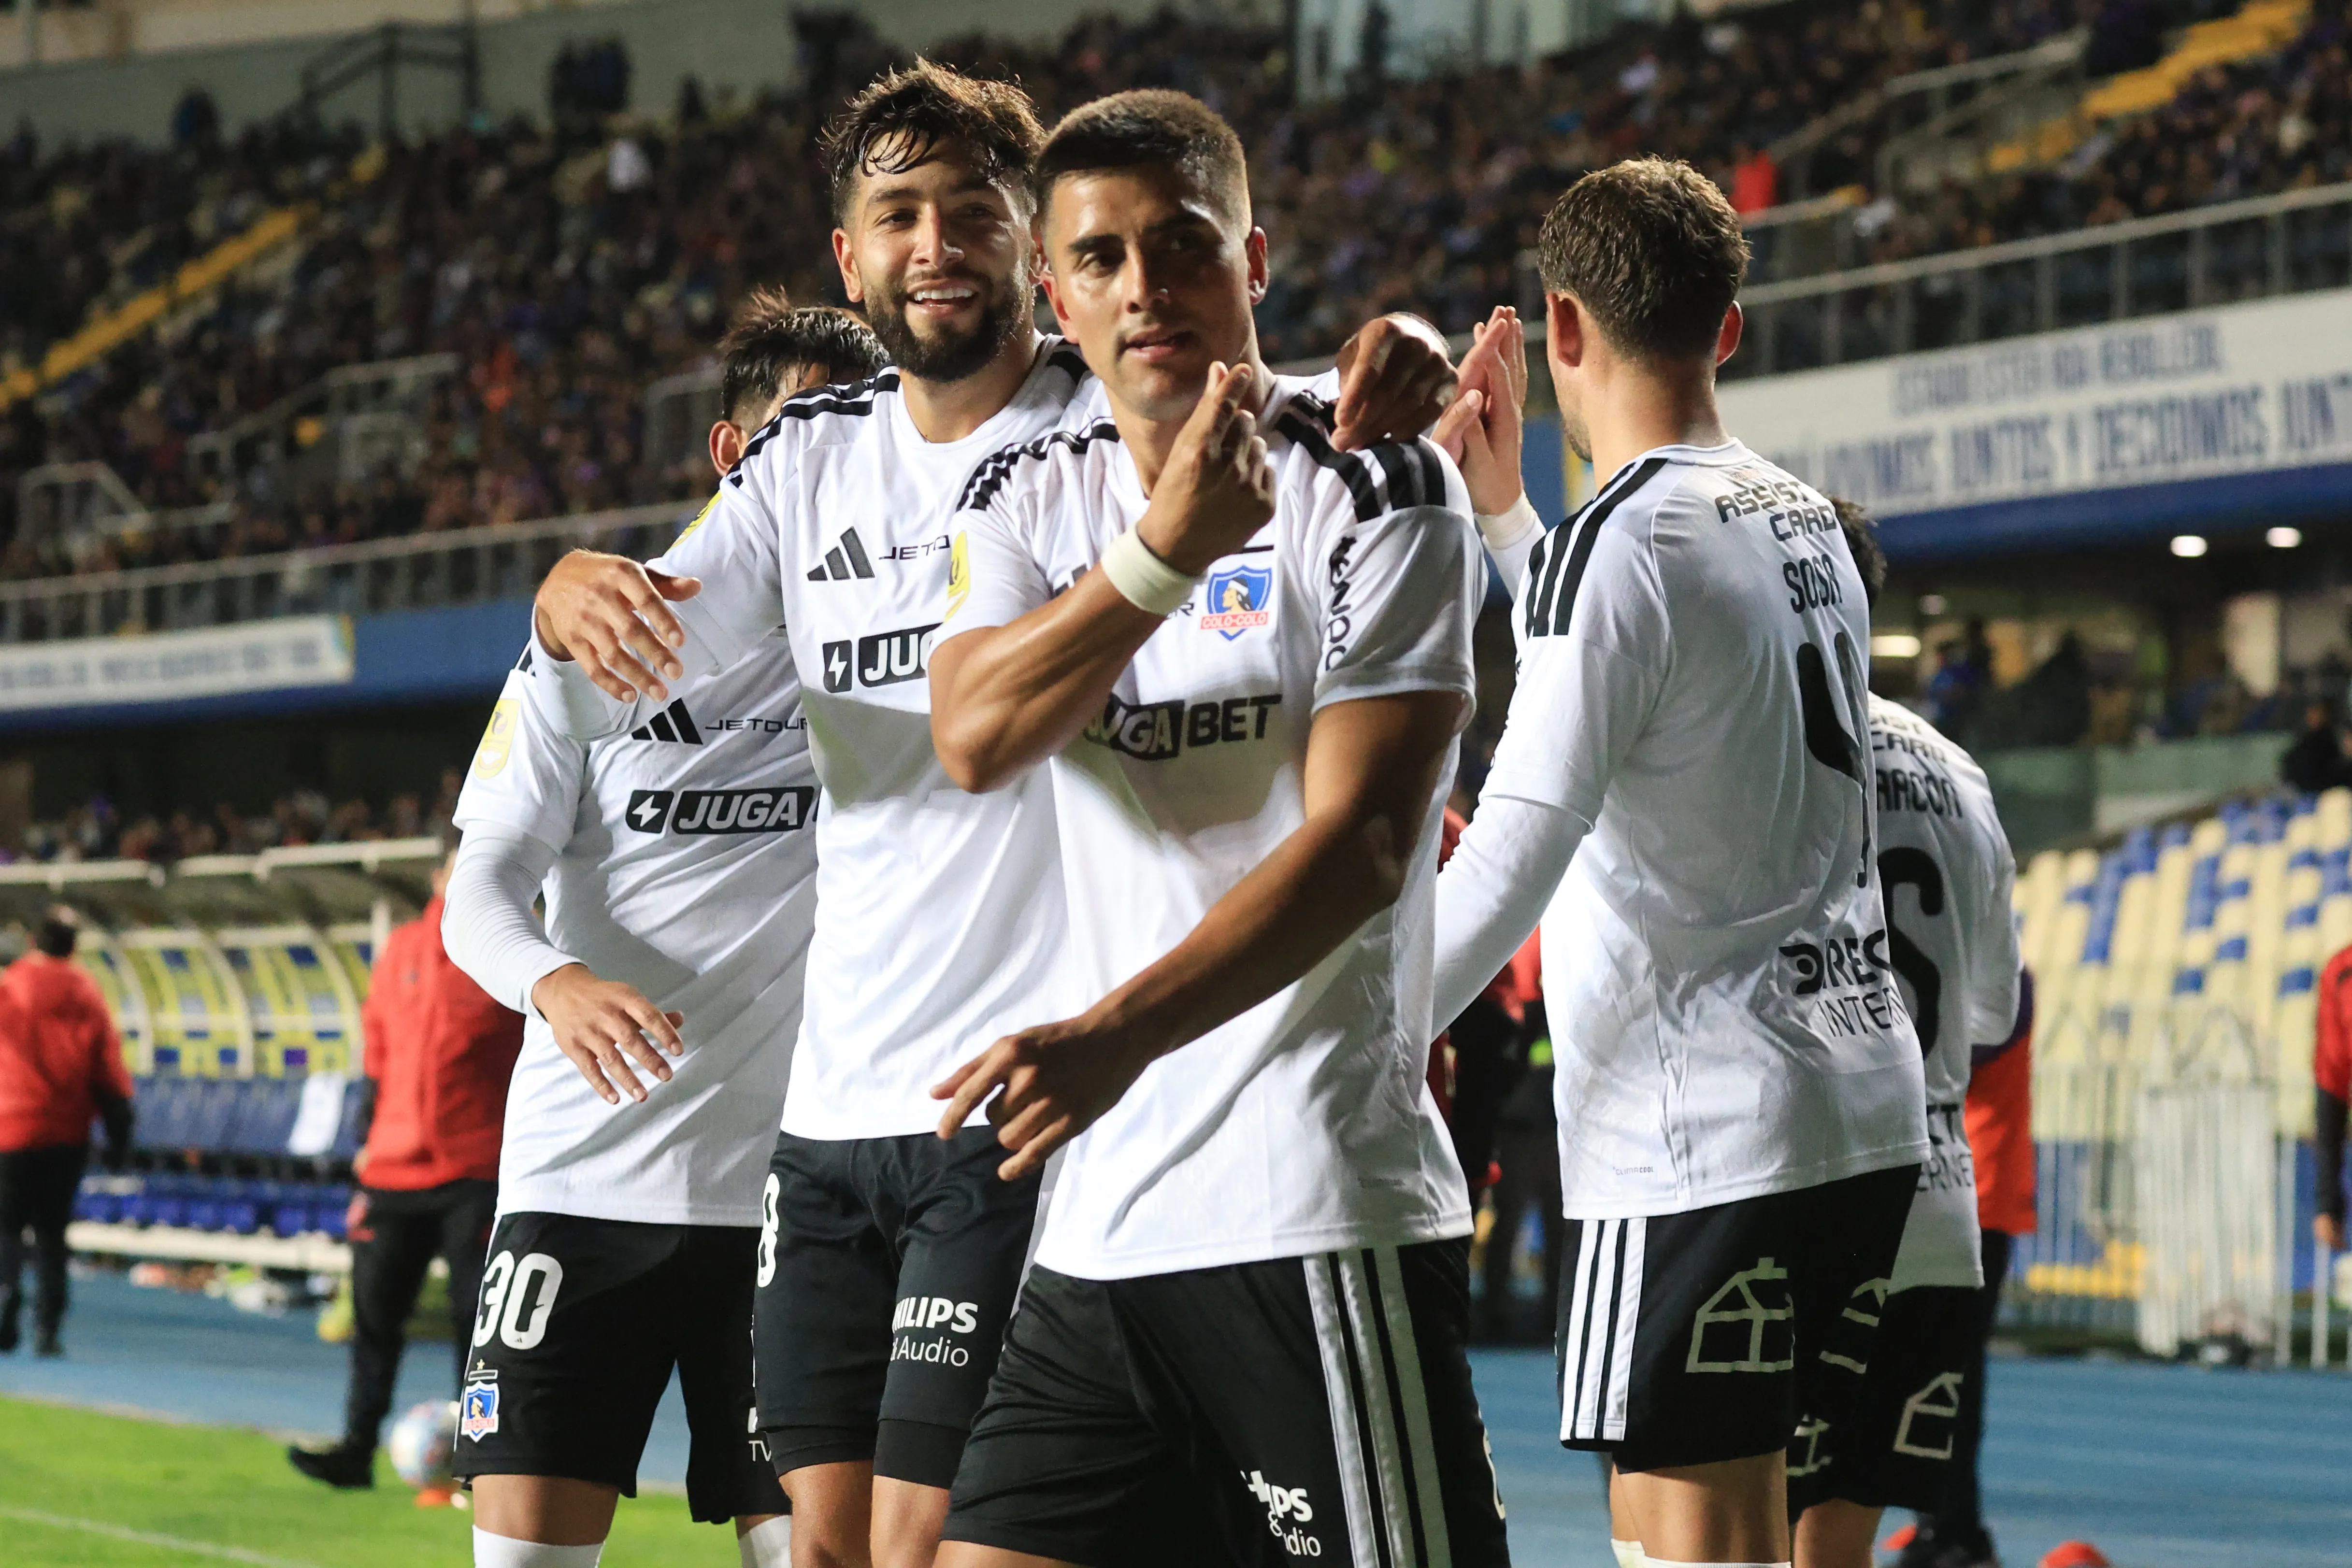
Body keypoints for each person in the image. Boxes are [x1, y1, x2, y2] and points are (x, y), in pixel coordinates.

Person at [526, 59, 1461, 1568]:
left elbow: (1359, 835)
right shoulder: (978, 489)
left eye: (974, 210)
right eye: (899, 214)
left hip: (1143, 1142)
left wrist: (1399, 349)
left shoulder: (1297, 461)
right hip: (977, 1154)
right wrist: (560, 587)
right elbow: (936, 719)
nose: (937, 244)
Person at [923, 87, 1510, 1568]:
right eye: (1101, 257)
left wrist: (1115, 1032)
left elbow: (1365, 845)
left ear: (1250, 261)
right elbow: (973, 737)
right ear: (1052, 294)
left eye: (1179, 245)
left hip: (1304, 1205)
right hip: (1098, 1235)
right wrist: (1157, 555)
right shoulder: (1023, 496)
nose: (1143, 287)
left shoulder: (1377, 477)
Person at [1426, 157, 1927, 1568]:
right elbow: (1656, 677)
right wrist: (1509, 525)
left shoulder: (1618, 541)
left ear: (1560, 325)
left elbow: (1517, 841)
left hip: (1697, 1128)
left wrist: (1355, 1026)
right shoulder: (1803, 522)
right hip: (1851, 1104)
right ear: (1728, 326)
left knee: (1685, 1551)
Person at [438, 301, 882, 1568]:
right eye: (812, 429)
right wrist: (557, 980)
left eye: (867, 432)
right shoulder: (589, 647)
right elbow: (480, 891)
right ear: (731, 448)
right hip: (580, 1181)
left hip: (799, 1202)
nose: (843, 464)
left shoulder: (889, 656)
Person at [1786, 507, 2022, 1568]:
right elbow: (1995, 1012)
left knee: (1702, 1528)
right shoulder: (1958, 772)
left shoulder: (1761, 745)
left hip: (1795, 1194)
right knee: (1836, 1547)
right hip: (1933, 1203)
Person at [289, 843, 523, 1488]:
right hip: (393, 1167)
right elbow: (378, 1053)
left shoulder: (511, 946)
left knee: (478, 1326)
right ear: (438, 875)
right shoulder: (400, 951)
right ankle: (357, 1447)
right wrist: (366, 1138)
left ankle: (480, 1462)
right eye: (460, 864)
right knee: (372, 1318)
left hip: (475, 1164)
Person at [1896, 970, 2034, 1568]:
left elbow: (1949, 1057)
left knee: (1948, 1372)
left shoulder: (2006, 978)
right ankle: (1941, 1525)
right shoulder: (1986, 971)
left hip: (1976, 1196)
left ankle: (1955, 1532)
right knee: (1931, 1369)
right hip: (1949, 1194)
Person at [0, 908, 132, 1358]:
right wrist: (119, 1137)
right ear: (74, 946)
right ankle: (48, 1328)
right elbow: (109, 1072)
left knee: (7, 1228)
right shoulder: (87, 993)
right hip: (67, 1132)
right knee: (53, 1232)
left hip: (11, 1127)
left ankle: (5, 1302)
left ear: (36, 941)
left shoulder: (10, 986)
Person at [2281, 699, 2352, 796]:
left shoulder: (2330, 741)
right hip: (2305, 791)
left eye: (2316, 713)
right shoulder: (2306, 740)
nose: (2311, 717)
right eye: (2310, 713)